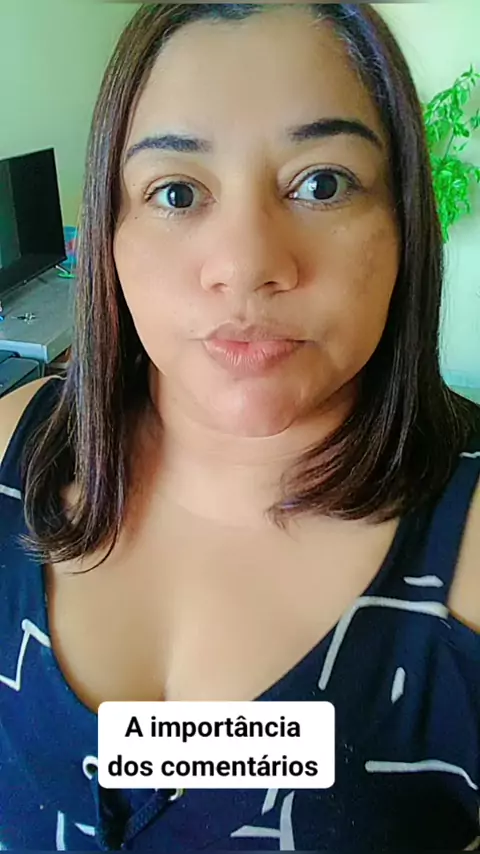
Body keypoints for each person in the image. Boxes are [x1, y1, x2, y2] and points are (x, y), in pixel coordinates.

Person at [0, 3, 479, 850]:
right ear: (107, 231)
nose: (248, 265)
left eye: (322, 183)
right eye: (177, 193)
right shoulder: (13, 447)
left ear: (405, 221)